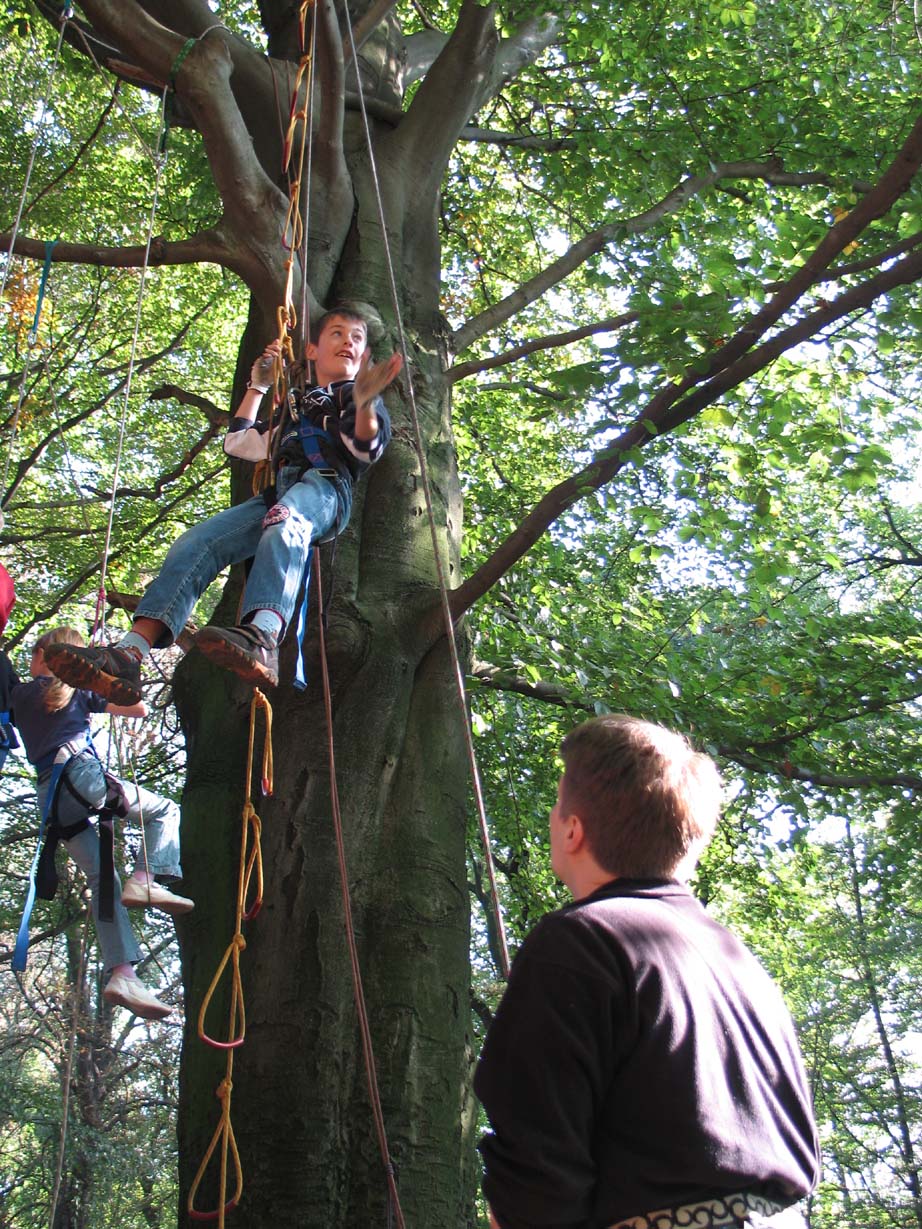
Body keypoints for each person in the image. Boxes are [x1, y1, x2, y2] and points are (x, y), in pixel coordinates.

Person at [474, 715, 820, 1229]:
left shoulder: (581, 941)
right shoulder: (739, 962)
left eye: (556, 808)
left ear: (572, 830)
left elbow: (536, 1166)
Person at [43, 303, 402, 700]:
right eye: (337, 333)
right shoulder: (296, 407)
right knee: (198, 543)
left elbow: (366, 447)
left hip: (324, 488)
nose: (348, 342)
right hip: (279, 493)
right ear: (312, 350)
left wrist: (366, 403)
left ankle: (263, 637)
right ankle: (130, 653)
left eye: (357, 338)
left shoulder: (352, 395)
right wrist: (259, 386)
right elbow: (239, 442)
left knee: (286, 523)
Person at [11, 626, 193, 1020]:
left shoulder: (20, 696)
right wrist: (103, 676)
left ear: (43, 654)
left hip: (53, 804)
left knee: (103, 882)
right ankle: (148, 877)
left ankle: (122, 973)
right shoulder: (80, 691)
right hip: (81, 777)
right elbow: (139, 708)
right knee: (165, 811)